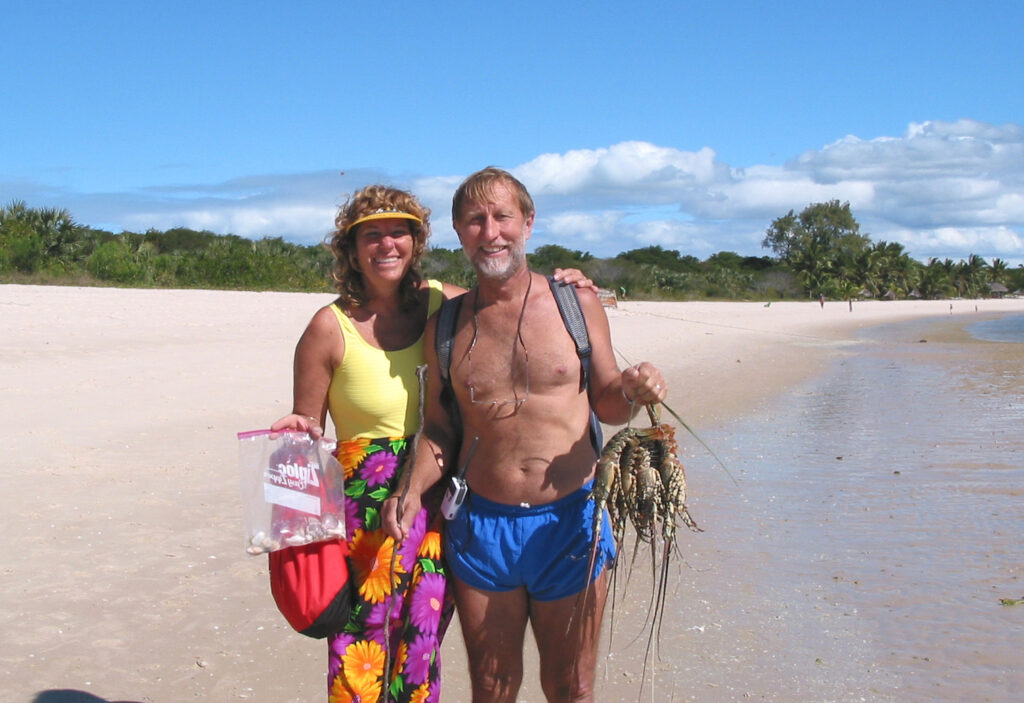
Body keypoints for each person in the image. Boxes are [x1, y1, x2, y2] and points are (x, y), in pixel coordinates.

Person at [270, 184, 595, 702]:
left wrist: (569, 285)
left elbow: (511, 305)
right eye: (370, 236)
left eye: (398, 232)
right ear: (350, 250)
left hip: (440, 503)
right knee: (360, 652)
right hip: (366, 515)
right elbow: (307, 430)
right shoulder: (327, 329)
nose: (386, 246)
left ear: (416, 242)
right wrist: (294, 431)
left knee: (420, 647)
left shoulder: (444, 305)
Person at [382, 168, 667, 702]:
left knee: (570, 686)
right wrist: (409, 490)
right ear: (459, 232)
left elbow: (607, 398)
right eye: (474, 220)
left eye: (502, 216)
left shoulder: (575, 303)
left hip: (571, 520)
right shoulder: (445, 325)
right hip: (483, 526)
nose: (490, 232)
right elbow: (441, 429)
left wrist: (634, 389)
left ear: (528, 223)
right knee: (492, 688)